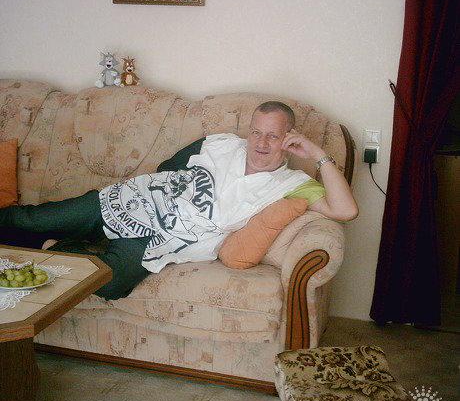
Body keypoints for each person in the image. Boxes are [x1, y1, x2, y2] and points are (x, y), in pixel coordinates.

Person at [0, 101, 358, 300]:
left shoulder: (291, 184)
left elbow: (345, 210)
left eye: (273, 136)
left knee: (110, 284)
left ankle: (60, 247)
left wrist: (317, 154)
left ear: (289, 139)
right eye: (256, 133)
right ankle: (61, 237)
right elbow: (166, 169)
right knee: (28, 220)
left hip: (160, 240)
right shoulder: (219, 144)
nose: (261, 143)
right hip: (126, 202)